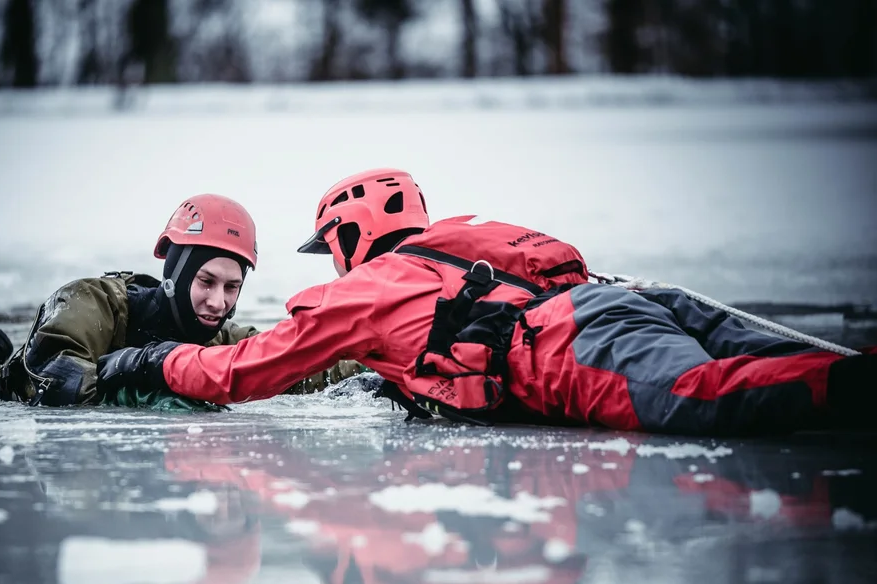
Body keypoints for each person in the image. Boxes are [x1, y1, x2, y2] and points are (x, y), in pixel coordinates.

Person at [95, 169, 876, 436]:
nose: (332, 260)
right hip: (643, 301)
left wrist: (160, 363)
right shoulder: (469, 239)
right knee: (796, 361)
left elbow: (244, 369)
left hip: (576, 344)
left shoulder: (362, 288)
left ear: (350, 234)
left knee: (705, 399)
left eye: (332, 245)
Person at [0, 193, 361, 407]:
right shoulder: (91, 303)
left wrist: (372, 365)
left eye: (232, 287)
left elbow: (290, 364)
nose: (217, 302)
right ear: (175, 276)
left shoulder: (221, 338)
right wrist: (143, 370)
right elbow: (54, 381)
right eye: (206, 281)